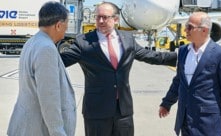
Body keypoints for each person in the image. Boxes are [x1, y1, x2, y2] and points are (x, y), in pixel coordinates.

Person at [60, 1, 177, 136]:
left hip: (123, 111)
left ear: (115, 19)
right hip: (97, 112)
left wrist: (181, 57)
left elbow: (151, 56)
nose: (100, 21)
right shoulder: (83, 42)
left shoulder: (128, 40)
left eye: (105, 17)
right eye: (98, 17)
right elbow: (61, 60)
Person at [159, 11, 221, 136]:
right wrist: (166, 103)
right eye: (186, 27)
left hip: (209, 123)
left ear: (204, 30)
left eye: (190, 27)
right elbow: (179, 81)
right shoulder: (184, 51)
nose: (185, 30)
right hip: (185, 120)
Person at [7, 1, 76, 136]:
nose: (65, 32)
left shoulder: (33, 41)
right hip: (38, 129)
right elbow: (49, 97)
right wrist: (58, 132)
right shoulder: (46, 49)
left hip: (27, 125)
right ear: (58, 25)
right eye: (65, 27)